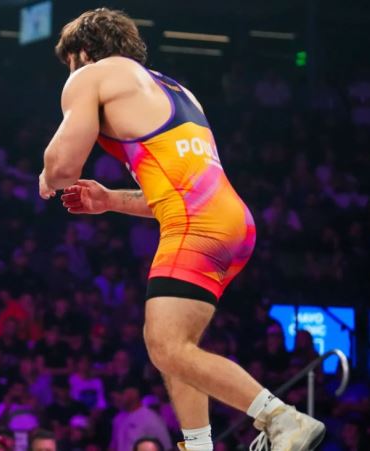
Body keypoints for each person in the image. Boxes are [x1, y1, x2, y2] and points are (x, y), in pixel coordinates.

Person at [37, 8, 323, 451]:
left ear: (83, 52)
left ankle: (281, 418)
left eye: (69, 63)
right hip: (231, 222)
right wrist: (110, 200)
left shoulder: (92, 75)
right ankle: (199, 445)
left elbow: (62, 169)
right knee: (178, 348)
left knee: (165, 345)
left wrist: (47, 175)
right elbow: (180, 190)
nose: (69, 73)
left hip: (197, 224)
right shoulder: (174, 90)